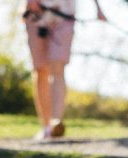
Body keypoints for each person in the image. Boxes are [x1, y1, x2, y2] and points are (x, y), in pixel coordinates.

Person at [22, 0, 106, 140]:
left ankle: (56, 123)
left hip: (64, 14)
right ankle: (46, 125)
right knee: (41, 70)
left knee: (58, 68)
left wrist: (98, 8)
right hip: (36, 13)